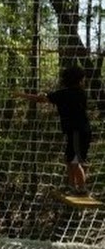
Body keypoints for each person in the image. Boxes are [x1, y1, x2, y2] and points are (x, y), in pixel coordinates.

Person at [16, 65, 92, 196]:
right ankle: (72, 187)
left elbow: (40, 99)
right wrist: (45, 95)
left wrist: (21, 95)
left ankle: (82, 189)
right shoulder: (79, 93)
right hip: (79, 131)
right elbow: (46, 98)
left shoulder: (65, 93)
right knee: (70, 160)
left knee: (74, 161)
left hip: (78, 132)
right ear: (78, 80)